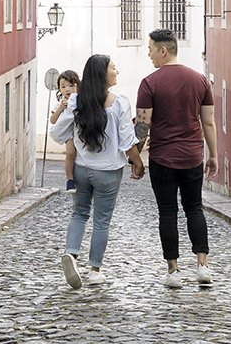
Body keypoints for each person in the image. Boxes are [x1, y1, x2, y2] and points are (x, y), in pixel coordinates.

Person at [49, 55, 145, 289]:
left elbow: (56, 133)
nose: (117, 71)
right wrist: (138, 163)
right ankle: (94, 270)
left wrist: (73, 137)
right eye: (113, 68)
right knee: (102, 221)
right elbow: (126, 140)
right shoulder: (119, 102)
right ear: (103, 74)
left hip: (82, 169)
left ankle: (71, 254)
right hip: (109, 173)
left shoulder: (76, 102)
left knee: (79, 214)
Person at [136, 28, 218, 289]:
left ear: (163, 50)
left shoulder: (149, 83)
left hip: (162, 158)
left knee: (167, 213)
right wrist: (213, 155)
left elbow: (142, 126)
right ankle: (202, 266)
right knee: (195, 208)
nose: (149, 55)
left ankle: (173, 271)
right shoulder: (200, 81)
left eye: (150, 50)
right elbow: (209, 122)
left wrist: (136, 158)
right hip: (193, 156)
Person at [47, 69, 81, 191]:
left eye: (71, 86)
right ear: (59, 89)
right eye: (63, 86)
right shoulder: (61, 103)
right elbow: (53, 120)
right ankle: (69, 179)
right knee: (71, 153)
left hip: (81, 130)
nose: (67, 89)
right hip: (69, 132)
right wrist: (61, 109)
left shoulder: (81, 100)